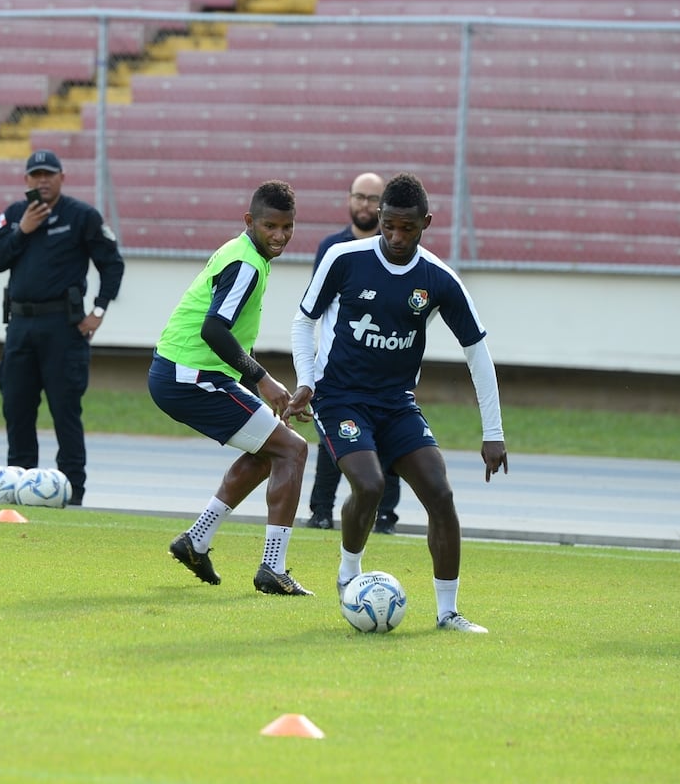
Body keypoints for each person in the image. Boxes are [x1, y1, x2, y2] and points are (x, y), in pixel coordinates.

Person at [288, 172, 508, 633]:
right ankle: (349, 574)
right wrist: (306, 381)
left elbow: (478, 351)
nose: (396, 237)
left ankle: (448, 612)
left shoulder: (438, 279)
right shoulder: (343, 259)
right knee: (369, 485)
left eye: (408, 228)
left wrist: (493, 433)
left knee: (441, 494)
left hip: (396, 403)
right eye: (388, 225)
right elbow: (302, 321)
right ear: (380, 219)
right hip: (341, 398)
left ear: (425, 223)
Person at [150, 180, 313, 596]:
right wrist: (264, 379)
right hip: (188, 376)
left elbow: (230, 337)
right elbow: (213, 331)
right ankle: (272, 569)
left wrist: (262, 390)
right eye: (270, 226)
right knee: (292, 450)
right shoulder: (245, 263)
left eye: (287, 227)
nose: (279, 236)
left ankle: (195, 541)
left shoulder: (246, 254)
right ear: (249, 222)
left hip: (192, 374)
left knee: (269, 452)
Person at [0, 149, 125, 507]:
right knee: (16, 407)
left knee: (65, 411)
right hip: (20, 325)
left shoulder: (81, 216)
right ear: (26, 181)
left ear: (63, 177)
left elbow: (112, 264)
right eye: (36, 175)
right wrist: (22, 231)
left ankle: (72, 493)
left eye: (49, 174)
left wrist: (98, 311)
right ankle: (17, 485)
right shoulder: (15, 215)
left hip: (64, 328)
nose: (42, 181)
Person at [304, 171, 404, 535]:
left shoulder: (394, 247)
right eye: (359, 196)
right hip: (338, 366)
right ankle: (320, 511)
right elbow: (316, 307)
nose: (364, 204)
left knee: (388, 441)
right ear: (349, 199)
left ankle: (385, 516)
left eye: (372, 198)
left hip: (383, 363)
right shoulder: (332, 249)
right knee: (332, 442)